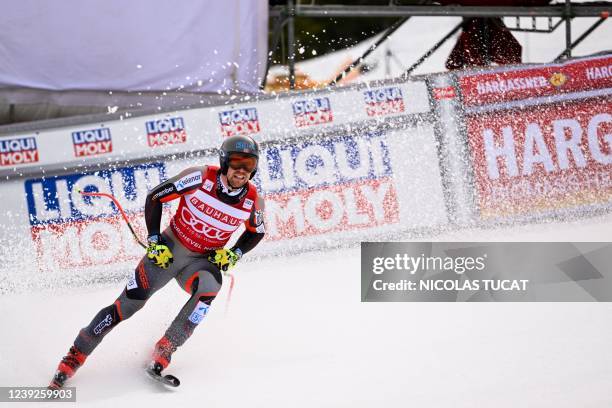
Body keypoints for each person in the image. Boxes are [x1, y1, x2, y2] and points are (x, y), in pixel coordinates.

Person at [49, 135, 266, 389]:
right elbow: (155, 196)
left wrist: (235, 253)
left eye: (249, 165)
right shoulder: (199, 177)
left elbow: (257, 231)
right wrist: (154, 240)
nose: (242, 171)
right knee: (126, 306)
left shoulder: (254, 200)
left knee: (210, 287)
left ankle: (165, 349)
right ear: (224, 161)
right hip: (169, 252)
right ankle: (74, 356)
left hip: (200, 263)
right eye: (237, 162)